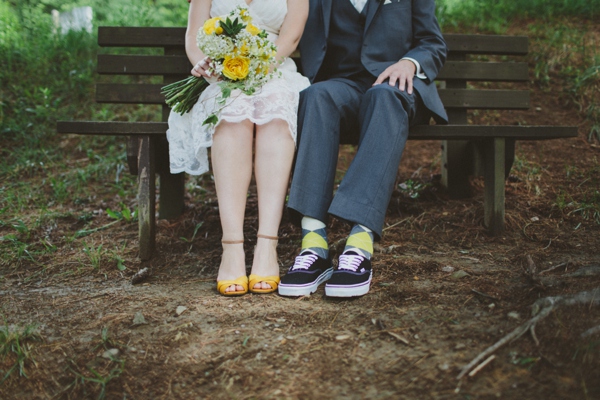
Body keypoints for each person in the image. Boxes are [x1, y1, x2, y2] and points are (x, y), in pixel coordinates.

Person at [278, 0, 448, 297]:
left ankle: (359, 243)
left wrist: (409, 63)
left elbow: (432, 42)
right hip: (342, 84)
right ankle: (313, 244)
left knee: (383, 97)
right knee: (316, 96)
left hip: (394, 87)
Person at [168, 0, 309, 295]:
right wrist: (205, 64)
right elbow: (194, 37)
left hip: (276, 69)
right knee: (232, 116)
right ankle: (231, 247)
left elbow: (292, 37)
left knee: (276, 118)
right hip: (223, 75)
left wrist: (260, 66)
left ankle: (266, 246)